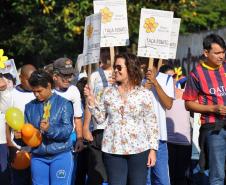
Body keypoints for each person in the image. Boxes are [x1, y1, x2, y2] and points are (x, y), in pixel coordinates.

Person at [85, 53, 159, 185]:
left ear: (130, 68)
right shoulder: (107, 92)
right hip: (113, 149)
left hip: (139, 149)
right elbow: (100, 119)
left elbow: (151, 123)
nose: (115, 70)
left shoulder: (144, 94)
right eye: (115, 67)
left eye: (119, 67)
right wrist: (91, 102)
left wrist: (153, 149)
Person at [182, 34, 226, 185]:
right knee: (217, 174)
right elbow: (188, 104)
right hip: (214, 129)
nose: (221, 56)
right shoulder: (196, 74)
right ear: (206, 53)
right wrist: (212, 108)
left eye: (223, 52)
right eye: (217, 53)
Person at [25, 70, 74, 185]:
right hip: (38, 156)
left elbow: (67, 130)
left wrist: (49, 129)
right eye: (34, 91)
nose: (36, 94)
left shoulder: (64, 104)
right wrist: (20, 136)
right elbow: (27, 134)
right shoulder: (29, 107)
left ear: (48, 86)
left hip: (61, 155)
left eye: (39, 91)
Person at [83, 49, 113, 185]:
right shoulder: (94, 75)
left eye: (109, 51)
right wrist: (85, 126)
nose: (106, 55)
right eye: (103, 51)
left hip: (115, 130)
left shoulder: (123, 74)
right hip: (98, 128)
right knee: (97, 171)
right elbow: (90, 101)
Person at [160, 65, 192, 185]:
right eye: (168, 77)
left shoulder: (186, 93)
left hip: (185, 143)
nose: (172, 79)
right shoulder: (159, 97)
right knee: (168, 178)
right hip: (167, 143)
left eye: (174, 76)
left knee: (182, 178)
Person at [144, 59, 175, 185]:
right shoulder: (137, 79)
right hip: (141, 139)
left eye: (145, 61)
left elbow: (168, 104)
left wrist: (155, 84)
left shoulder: (166, 79)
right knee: (144, 180)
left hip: (160, 139)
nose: (143, 65)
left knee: (162, 180)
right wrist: (142, 89)